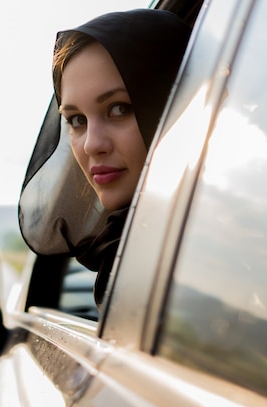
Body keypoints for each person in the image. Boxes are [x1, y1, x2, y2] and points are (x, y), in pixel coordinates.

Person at [18, 9, 191, 308]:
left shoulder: (196, 256)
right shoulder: (122, 252)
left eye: (119, 109)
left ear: (176, 108)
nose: (91, 145)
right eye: (76, 121)